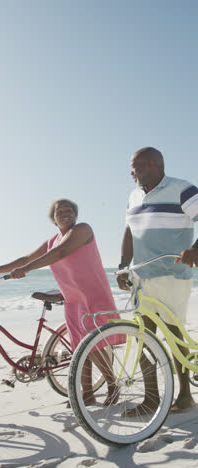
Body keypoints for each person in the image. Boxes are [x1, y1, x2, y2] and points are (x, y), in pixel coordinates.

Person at [0, 198, 123, 406]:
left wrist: (27, 270)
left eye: (70, 210)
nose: (66, 213)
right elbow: (25, 259)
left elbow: (60, 253)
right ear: (53, 218)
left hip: (92, 295)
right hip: (73, 298)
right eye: (60, 211)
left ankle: (113, 384)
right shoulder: (52, 240)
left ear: (75, 214)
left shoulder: (83, 230)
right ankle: (87, 394)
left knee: (94, 345)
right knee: (79, 347)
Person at [117, 146, 198, 415]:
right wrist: (123, 266)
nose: (132, 172)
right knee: (143, 337)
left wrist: (195, 249)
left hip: (172, 275)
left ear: (153, 165)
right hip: (142, 277)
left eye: (136, 167)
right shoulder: (133, 196)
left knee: (175, 337)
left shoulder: (182, 189)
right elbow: (129, 232)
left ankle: (185, 397)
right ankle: (151, 398)